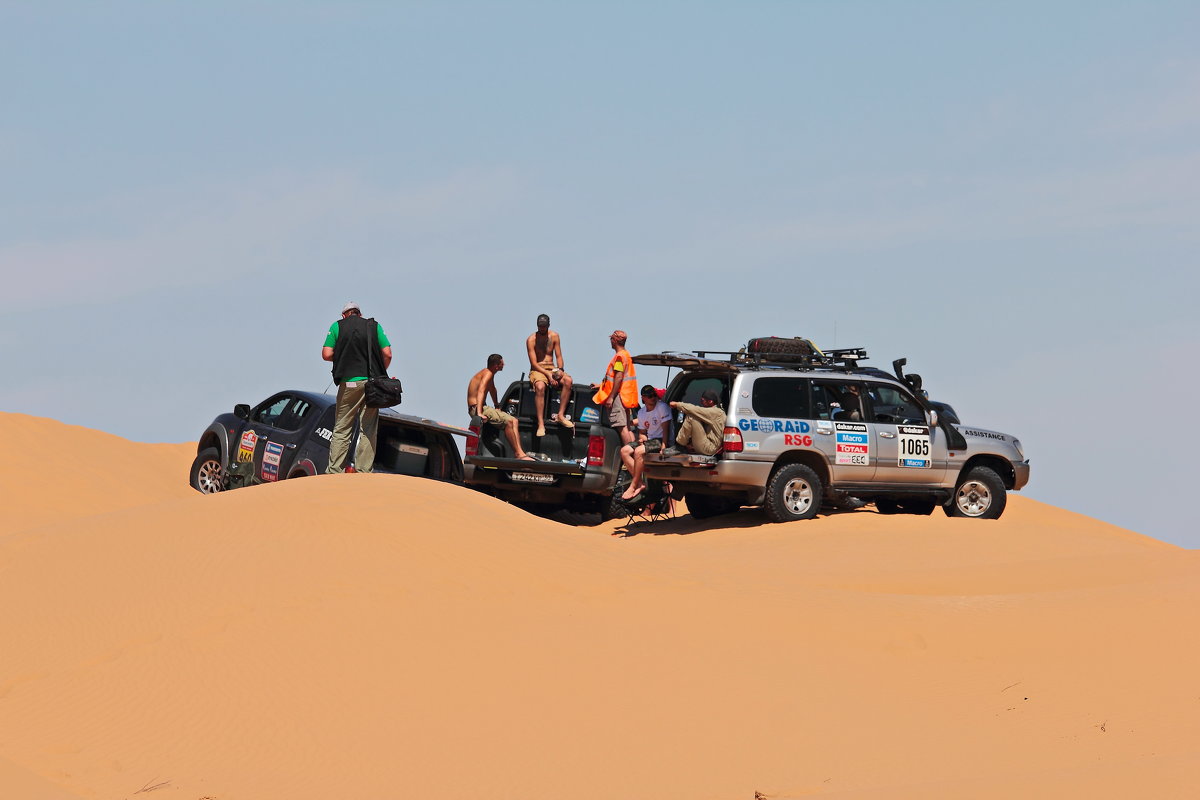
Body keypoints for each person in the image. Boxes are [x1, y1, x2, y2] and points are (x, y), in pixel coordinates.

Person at [321, 301, 392, 473]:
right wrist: (382, 372)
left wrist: (344, 355)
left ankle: (334, 471)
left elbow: (326, 354)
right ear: (359, 314)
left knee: (342, 428)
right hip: (371, 384)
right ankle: (364, 471)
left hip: (349, 383)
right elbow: (387, 353)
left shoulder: (337, 326)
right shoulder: (373, 326)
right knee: (367, 429)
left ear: (344, 315)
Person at [467, 354, 534, 461]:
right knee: (511, 421)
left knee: (514, 421)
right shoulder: (488, 373)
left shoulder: (488, 373)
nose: (504, 364)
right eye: (502, 363)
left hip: (478, 407)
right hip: (477, 408)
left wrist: (497, 406)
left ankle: (520, 453)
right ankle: (519, 454)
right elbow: (481, 390)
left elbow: (492, 390)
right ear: (496, 365)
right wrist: (479, 413)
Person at [525, 313, 575, 437]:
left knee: (568, 381)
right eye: (540, 326)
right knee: (540, 387)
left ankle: (560, 415)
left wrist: (560, 370)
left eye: (544, 326)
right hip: (538, 370)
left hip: (552, 368)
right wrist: (548, 375)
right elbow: (534, 363)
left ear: (548, 325)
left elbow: (559, 356)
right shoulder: (531, 340)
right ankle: (541, 424)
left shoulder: (554, 336)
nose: (542, 329)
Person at [620, 384, 671, 501]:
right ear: (643, 398)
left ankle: (633, 485)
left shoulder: (662, 407)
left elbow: (666, 430)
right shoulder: (642, 413)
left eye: (654, 395)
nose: (653, 397)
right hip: (650, 439)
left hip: (660, 439)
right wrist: (643, 439)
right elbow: (642, 432)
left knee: (638, 452)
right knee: (624, 451)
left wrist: (664, 446)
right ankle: (640, 482)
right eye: (649, 396)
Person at [591, 329, 639, 448]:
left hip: (618, 396)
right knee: (627, 429)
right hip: (625, 396)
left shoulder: (619, 357)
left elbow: (618, 377)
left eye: (611, 339)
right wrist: (601, 385)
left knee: (622, 429)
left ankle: (629, 455)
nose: (610, 341)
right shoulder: (626, 355)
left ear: (614, 340)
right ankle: (632, 453)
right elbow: (614, 378)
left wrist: (611, 397)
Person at [665, 388, 725, 456]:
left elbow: (695, 410)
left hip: (711, 448)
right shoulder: (714, 413)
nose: (701, 403)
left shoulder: (716, 412)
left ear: (710, 401)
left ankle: (680, 446)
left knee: (691, 416)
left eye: (702, 401)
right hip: (708, 445)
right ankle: (684, 445)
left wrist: (677, 404)